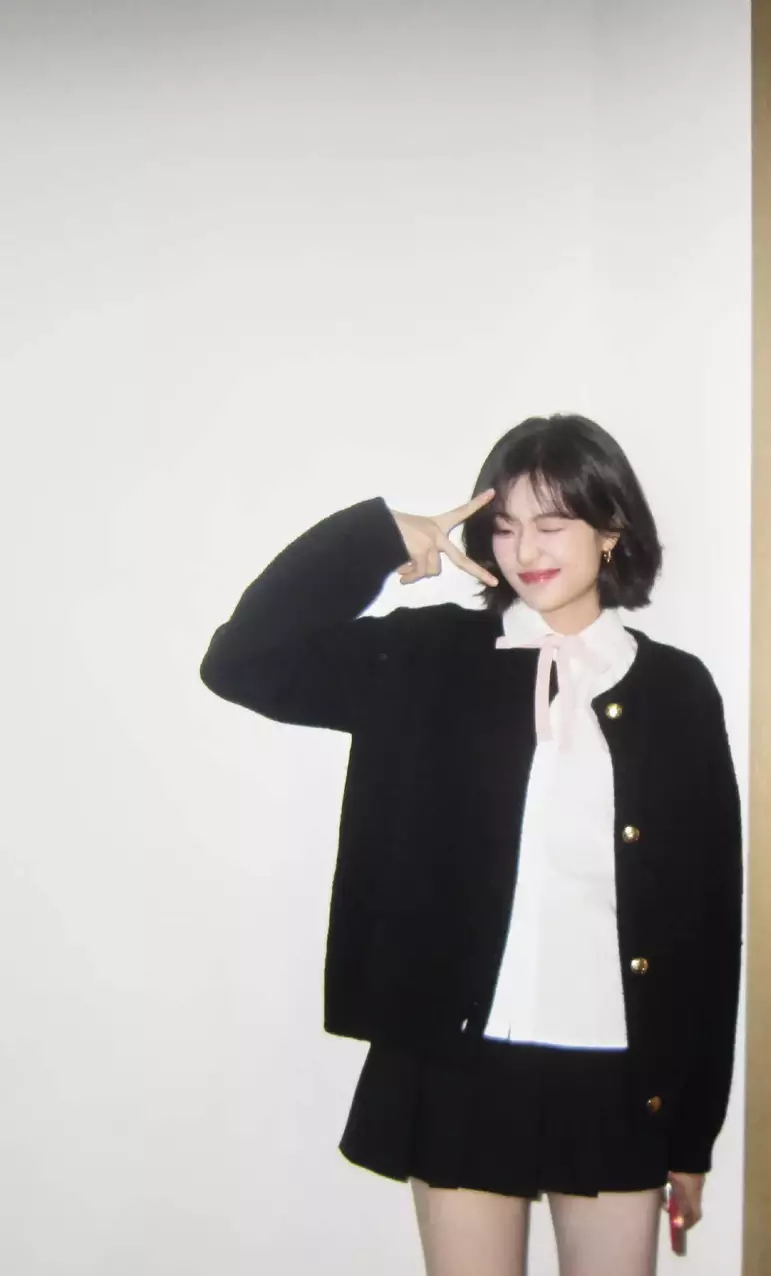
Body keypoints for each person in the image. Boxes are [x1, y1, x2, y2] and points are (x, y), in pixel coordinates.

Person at [199, 412, 743, 1276]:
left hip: (618, 1069)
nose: (526, 548)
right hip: (461, 1064)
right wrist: (374, 540)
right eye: (506, 524)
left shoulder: (676, 690)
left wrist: (691, 1133)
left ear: (610, 531)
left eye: (553, 523)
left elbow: (708, 924)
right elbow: (242, 662)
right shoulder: (429, 657)